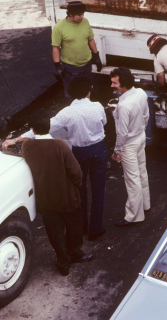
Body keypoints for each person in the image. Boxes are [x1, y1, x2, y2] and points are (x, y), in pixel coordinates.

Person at [20, 111, 93, 277]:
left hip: (45, 199)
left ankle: (63, 262)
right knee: (74, 227)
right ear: (49, 127)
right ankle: (75, 253)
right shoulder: (60, 145)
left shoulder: (27, 146)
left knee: (54, 232)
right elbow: (76, 172)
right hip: (68, 197)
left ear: (32, 130)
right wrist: (78, 185)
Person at [49, 77, 108, 241]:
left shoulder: (67, 112)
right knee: (98, 189)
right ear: (89, 91)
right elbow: (104, 122)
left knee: (79, 190)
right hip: (98, 149)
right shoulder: (97, 106)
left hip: (79, 152)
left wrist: (17, 139)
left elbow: (46, 126)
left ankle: (81, 226)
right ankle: (95, 229)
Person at [110, 67, 150, 227]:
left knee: (132, 179)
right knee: (142, 173)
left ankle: (133, 216)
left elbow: (122, 133)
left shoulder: (124, 105)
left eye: (114, 83)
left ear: (124, 84)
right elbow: (146, 116)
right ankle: (145, 205)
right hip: (140, 137)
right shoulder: (140, 93)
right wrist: (140, 129)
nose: (112, 85)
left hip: (129, 144)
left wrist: (116, 151)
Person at [52, 0, 102, 98]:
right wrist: (57, 66)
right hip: (71, 68)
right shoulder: (59, 28)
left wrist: (96, 56)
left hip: (87, 65)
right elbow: (55, 48)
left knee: (87, 90)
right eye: (79, 15)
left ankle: (87, 109)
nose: (82, 17)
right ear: (70, 14)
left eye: (83, 14)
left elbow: (91, 40)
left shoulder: (85, 22)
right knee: (72, 93)